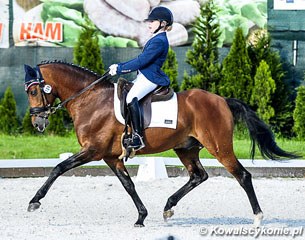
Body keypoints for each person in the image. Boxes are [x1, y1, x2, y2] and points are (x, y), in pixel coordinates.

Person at [108, 6, 173, 151]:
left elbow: (142, 61)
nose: (149, 24)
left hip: (151, 78)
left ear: (162, 23)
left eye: (153, 21)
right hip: (143, 76)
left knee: (131, 98)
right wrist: (119, 65)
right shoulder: (156, 38)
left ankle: (138, 137)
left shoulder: (159, 41)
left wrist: (119, 68)